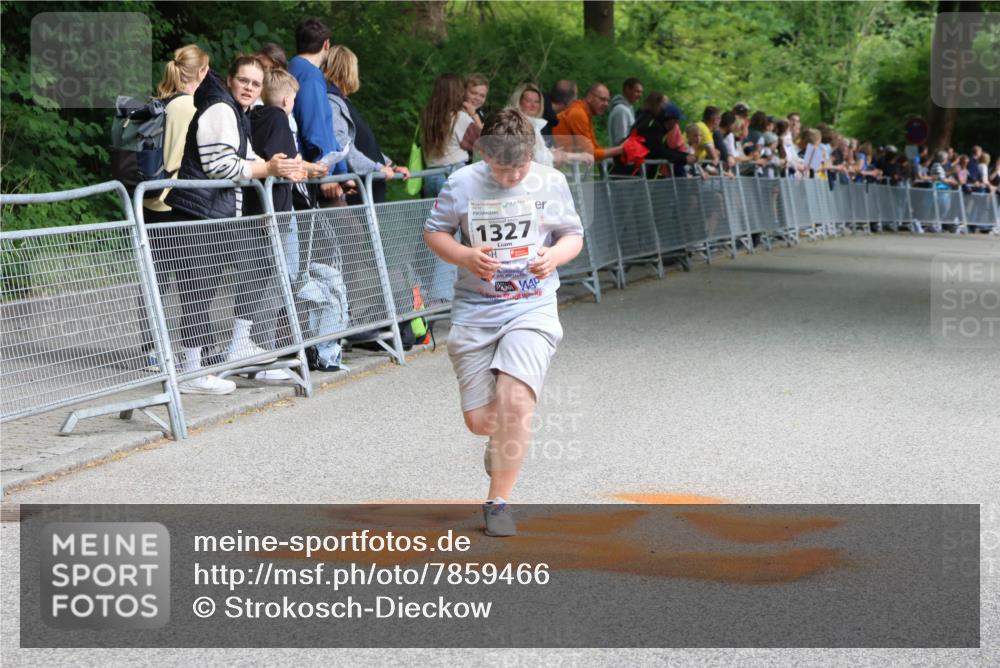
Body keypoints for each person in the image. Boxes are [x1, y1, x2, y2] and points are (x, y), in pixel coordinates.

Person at [423, 109, 584, 536]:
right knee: (482, 423)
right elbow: (435, 232)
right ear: (484, 155)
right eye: (502, 167)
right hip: (477, 309)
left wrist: (554, 256)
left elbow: (573, 235)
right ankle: (502, 442)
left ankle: (499, 502)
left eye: (519, 167)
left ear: (532, 155)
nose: (511, 176)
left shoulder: (552, 182)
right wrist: (464, 256)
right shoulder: (461, 183)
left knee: (516, 400)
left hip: (532, 306)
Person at [164, 55, 302, 395]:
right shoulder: (220, 110)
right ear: (230, 79)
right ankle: (192, 373)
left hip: (215, 214)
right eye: (244, 81)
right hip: (200, 215)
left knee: (203, 291)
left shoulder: (232, 111)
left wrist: (279, 166)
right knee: (197, 292)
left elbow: (245, 159)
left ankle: (194, 369)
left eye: (256, 84)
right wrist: (268, 170)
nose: (250, 88)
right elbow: (220, 165)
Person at [140, 45, 210, 373]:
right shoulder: (190, 106)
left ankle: (151, 350)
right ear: (202, 72)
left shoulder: (160, 103)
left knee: (157, 281)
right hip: (174, 200)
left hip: (149, 200)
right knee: (188, 283)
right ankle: (182, 354)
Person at [323, 45, 408, 204]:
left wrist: (391, 165)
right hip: (357, 191)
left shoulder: (342, 101)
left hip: (369, 188)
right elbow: (343, 145)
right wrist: (376, 169)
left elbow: (364, 144)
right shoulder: (332, 102)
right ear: (348, 70)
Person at [288, 17, 348, 203]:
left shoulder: (291, 68)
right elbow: (316, 127)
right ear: (326, 45)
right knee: (353, 232)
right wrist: (327, 173)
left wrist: (342, 172)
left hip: (304, 172)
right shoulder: (311, 76)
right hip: (317, 177)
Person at [421, 73, 472, 198]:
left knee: (434, 217)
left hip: (430, 176)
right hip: (453, 175)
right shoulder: (460, 117)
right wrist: (474, 114)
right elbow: (484, 143)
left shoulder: (428, 117)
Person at [612, 93, 687, 178]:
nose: (667, 107)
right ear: (657, 104)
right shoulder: (651, 124)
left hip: (634, 171)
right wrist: (684, 158)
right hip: (631, 171)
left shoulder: (646, 120)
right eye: (665, 104)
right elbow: (657, 150)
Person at [552, 82, 624, 161]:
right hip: (560, 165)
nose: (606, 104)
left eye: (608, 101)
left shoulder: (585, 113)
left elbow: (594, 148)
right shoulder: (579, 113)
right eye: (602, 99)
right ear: (589, 97)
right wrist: (620, 149)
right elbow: (590, 153)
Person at [607, 77, 643, 147]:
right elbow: (620, 140)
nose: (640, 95)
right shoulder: (621, 110)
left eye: (641, 92)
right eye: (637, 92)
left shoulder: (628, 109)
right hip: (619, 156)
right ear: (627, 90)